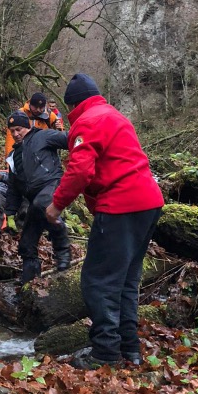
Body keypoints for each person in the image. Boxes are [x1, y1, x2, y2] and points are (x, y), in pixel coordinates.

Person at [44, 73, 164, 370]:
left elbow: (80, 171)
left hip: (121, 206)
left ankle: (105, 353)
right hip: (149, 203)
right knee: (126, 281)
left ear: (72, 105)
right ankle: (129, 348)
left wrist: (56, 206)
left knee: (98, 281)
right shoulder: (115, 116)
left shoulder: (87, 122)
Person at [4, 111, 72, 285]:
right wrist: (9, 212)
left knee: (42, 203)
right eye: (12, 131)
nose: (15, 134)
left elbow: (70, 139)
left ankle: (63, 251)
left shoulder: (43, 136)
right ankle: (30, 282)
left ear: (27, 127)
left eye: (18, 129)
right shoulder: (13, 157)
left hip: (52, 184)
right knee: (26, 243)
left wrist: (84, 149)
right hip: (34, 199)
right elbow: (13, 186)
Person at [3, 92, 65, 159]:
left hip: (43, 153)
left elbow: (60, 136)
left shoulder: (50, 116)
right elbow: (11, 137)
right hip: (23, 152)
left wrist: (59, 129)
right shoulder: (19, 114)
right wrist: (9, 158)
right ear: (30, 104)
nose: (38, 110)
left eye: (41, 107)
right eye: (35, 107)